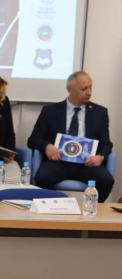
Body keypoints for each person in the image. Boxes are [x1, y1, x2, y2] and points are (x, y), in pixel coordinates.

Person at [27, 71, 115, 201]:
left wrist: (100, 157)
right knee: (42, 177)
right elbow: (33, 140)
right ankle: (53, 207)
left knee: (106, 181)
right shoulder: (50, 111)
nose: (89, 92)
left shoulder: (100, 113)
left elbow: (106, 144)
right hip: (59, 162)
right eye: (84, 89)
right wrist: (47, 146)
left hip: (87, 164)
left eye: (90, 88)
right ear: (69, 89)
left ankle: (91, 209)